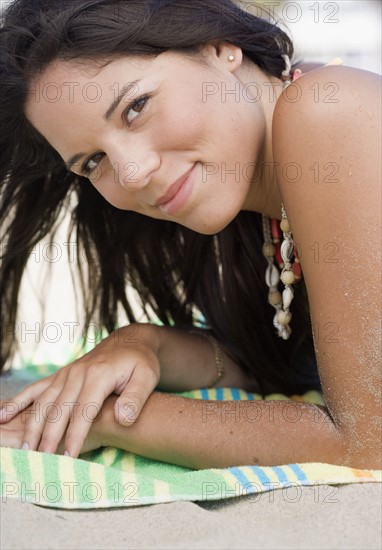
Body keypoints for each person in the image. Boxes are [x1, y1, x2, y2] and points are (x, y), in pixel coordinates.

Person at [0, 0, 380, 470]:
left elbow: (369, 439)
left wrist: (112, 417)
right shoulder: (257, 211)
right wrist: (142, 344)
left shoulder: (329, 111)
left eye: (136, 107)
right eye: (93, 162)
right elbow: (277, 362)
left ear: (221, 48)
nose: (132, 174)